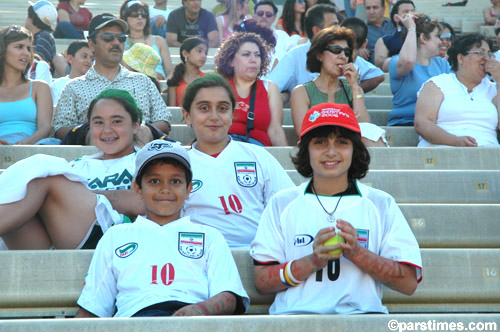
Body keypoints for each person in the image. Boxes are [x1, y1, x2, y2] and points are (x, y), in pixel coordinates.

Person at [250, 102, 422, 315]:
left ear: (355, 149)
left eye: (341, 142)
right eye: (320, 142)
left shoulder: (381, 204)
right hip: (295, 322)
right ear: (306, 149)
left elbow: (409, 284)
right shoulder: (282, 203)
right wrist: (312, 261)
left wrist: (358, 253)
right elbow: (262, 281)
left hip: (363, 322)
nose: (331, 152)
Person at [75, 139, 250, 317]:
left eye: (175, 181)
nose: (165, 189)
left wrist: (200, 309)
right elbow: (92, 308)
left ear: (188, 189)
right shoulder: (116, 236)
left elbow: (229, 296)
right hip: (135, 322)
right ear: (137, 188)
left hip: (192, 322)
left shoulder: (209, 236)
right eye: (154, 181)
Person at [0, 89, 147, 249]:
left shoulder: (146, 160)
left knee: (42, 169)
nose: (107, 130)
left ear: (135, 125)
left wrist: (72, 196)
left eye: (117, 121)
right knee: (19, 194)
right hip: (57, 244)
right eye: (98, 122)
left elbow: (142, 204)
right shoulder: (76, 165)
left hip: (118, 240)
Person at [181, 74, 294, 248]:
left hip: (257, 256)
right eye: (204, 108)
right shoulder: (179, 164)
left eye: (223, 108)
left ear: (233, 114)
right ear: (187, 116)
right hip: (197, 258)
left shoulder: (258, 157)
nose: (214, 116)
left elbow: (289, 206)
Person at [53, 13, 171, 144]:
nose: (116, 43)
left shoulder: (143, 81)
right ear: (92, 45)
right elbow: (59, 129)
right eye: (108, 37)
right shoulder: (74, 87)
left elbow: (164, 121)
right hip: (94, 155)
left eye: (121, 38)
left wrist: (141, 130)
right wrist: (88, 130)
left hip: (138, 152)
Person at [290, 26, 387, 147]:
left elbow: (366, 129)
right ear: (319, 55)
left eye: (347, 52)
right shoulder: (301, 92)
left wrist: (355, 87)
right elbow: (303, 132)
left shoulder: (354, 89)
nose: (343, 56)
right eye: (336, 50)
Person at [415, 34, 500, 147]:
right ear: (460, 58)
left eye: (489, 54)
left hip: (486, 153)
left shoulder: (494, 88)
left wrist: (499, 80)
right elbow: (422, 123)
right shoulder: (438, 84)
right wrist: (455, 141)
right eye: (480, 52)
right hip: (443, 150)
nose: (486, 58)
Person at [215, 32, 287, 146]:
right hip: (224, 149)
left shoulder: (270, 88)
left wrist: (285, 161)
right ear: (231, 61)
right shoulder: (218, 86)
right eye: (246, 54)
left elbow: (275, 130)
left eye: (257, 55)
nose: (253, 60)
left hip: (258, 151)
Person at [267, 4, 339, 102]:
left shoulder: (344, 53)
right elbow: (269, 89)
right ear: (317, 30)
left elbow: (367, 74)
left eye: (338, 24)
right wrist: (287, 96)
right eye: (333, 25)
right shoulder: (294, 56)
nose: (339, 29)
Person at [388, 13, 450, 126]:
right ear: (423, 38)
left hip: (438, 125)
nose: (440, 42)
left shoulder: (442, 64)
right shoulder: (397, 61)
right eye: (436, 36)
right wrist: (411, 29)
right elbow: (408, 61)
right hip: (405, 124)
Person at [0, 25, 52, 145]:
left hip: (31, 150)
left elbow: (45, 127)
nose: (26, 53)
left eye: (29, 49)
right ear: (2, 50)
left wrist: (25, 144)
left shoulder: (39, 87)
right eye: (19, 47)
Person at [120, 0, 173, 80]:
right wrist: (149, 75)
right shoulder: (121, 42)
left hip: (160, 86)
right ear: (125, 17)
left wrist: (167, 84)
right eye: (134, 14)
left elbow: (170, 71)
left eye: (143, 15)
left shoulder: (159, 41)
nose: (140, 18)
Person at [340, 17, 385, 93]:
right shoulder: (325, 57)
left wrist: (353, 91)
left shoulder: (359, 63)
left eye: (349, 52)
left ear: (364, 44)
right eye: (338, 50)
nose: (343, 57)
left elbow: (379, 76)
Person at [373, 0, 415, 72]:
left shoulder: (424, 37)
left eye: (413, 11)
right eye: (406, 12)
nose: (410, 15)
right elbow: (379, 62)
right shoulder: (385, 40)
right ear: (396, 18)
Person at [166, 37, 207, 107]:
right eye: (199, 51)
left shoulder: (207, 79)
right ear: (185, 53)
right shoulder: (175, 80)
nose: (204, 56)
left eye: (206, 53)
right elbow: (172, 111)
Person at [51, 40, 94, 106]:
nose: (88, 61)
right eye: (84, 57)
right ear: (70, 59)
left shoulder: (94, 85)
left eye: (92, 59)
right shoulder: (57, 85)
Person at [252, 1, 290, 71]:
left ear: (274, 18)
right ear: (254, 15)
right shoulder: (246, 36)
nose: (264, 16)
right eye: (260, 13)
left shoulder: (282, 36)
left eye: (268, 14)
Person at [25, 0, 58, 72]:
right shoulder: (42, 36)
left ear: (32, 18)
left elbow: (36, 61)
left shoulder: (44, 37)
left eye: (28, 16)